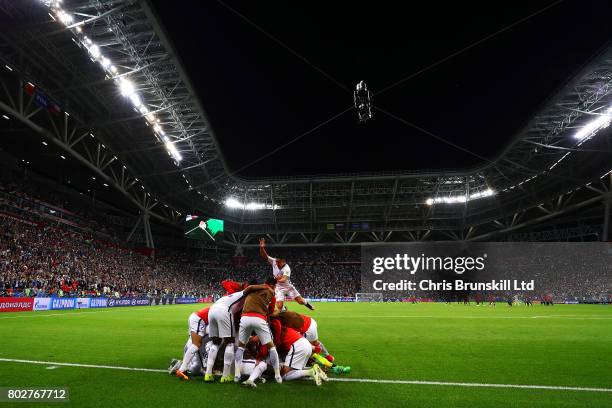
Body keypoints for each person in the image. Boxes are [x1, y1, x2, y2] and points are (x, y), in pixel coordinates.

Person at [204, 283, 270, 383]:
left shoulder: (231, 296)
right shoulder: (243, 294)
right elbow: (250, 288)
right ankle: (225, 376)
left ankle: (208, 374)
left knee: (216, 343)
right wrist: (264, 287)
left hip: (212, 311)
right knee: (230, 343)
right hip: (224, 311)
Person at [234, 277, 283, 384]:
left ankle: (237, 375)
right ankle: (278, 376)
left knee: (241, 347)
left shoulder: (252, 289)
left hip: (245, 317)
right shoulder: (272, 293)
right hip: (259, 319)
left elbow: (246, 290)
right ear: (273, 286)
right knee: (271, 347)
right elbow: (270, 312)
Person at [259, 238, 314, 311]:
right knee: (279, 306)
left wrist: (274, 279)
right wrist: (262, 247)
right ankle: (284, 310)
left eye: (279, 262)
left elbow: (284, 279)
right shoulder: (274, 261)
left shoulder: (287, 268)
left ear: (283, 261)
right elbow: (264, 256)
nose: (277, 263)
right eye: (277, 261)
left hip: (288, 287)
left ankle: (307, 303)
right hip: (278, 287)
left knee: (300, 301)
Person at [175, 306, 210, 380]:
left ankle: (183, 367)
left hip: (197, 319)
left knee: (195, 344)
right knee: (196, 345)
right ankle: (182, 369)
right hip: (199, 320)